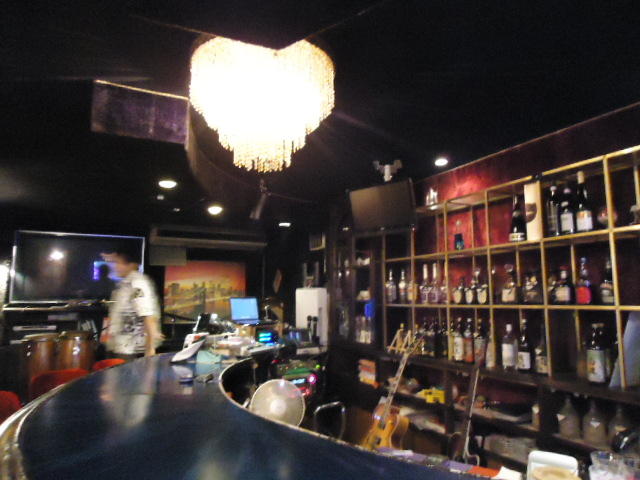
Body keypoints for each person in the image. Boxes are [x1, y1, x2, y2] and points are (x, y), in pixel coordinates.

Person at [103, 248, 163, 359]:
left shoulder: (137, 283)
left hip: (133, 350)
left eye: (118, 263)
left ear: (131, 265)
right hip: (122, 346)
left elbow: (148, 315)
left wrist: (150, 349)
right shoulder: (124, 284)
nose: (115, 267)